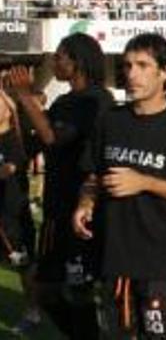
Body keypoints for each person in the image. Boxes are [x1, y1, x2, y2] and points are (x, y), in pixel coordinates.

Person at [72, 33, 166, 338]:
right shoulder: (110, 121)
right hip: (114, 261)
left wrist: (145, 182)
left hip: (164, 265)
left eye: (142, 65)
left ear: (165, 72)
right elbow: (93, 176)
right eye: (128, 65)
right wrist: (85, 202)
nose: (131, 74)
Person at [8, 33, 114, 339]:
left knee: (75, 288)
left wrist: (26, 96)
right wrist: (18, 105)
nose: (55, 62)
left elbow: (55, 137)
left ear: (77, 61)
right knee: (46, 288)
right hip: (57, 207)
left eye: (59, 56)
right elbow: (40, 140)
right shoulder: (65, 101)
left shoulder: (96, 100)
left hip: (80, 208)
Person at [0, 90, 39, 331]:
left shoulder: (15, 140)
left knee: (25, 268)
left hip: (13, 217)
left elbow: (8, 169)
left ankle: (33, 313)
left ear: (7, 111)